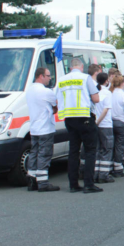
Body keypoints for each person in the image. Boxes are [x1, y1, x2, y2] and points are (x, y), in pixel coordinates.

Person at [56, 58, 103, 194]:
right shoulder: (85, 78)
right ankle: (89, 184)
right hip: (84, 117)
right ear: (81, 66)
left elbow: (57, 99)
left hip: (69, 118)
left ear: (70, 67)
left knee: (73, 152)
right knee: (90, 151)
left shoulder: (62, 80)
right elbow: (96, 99)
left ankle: (73, 184)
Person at [25, 67, 60, 192]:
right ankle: (43, 182)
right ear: (41, 76)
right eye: (48, 75)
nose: (50, 78)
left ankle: (32, 180)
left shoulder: (29, 90)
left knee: (34, 153)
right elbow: (56, 107)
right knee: (44, 154)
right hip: (45, 127)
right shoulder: (46, 92)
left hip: (34, 127)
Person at [94, 72, 115, 183]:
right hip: (105, 124)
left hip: (96, 124)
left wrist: (95, 122)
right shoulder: (107, 93)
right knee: (107, 149)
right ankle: (103, 175)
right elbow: (106, 109)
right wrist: (98, 122)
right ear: (106, 81)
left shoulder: (95, 91)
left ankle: (95, 173)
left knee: (97, 149)